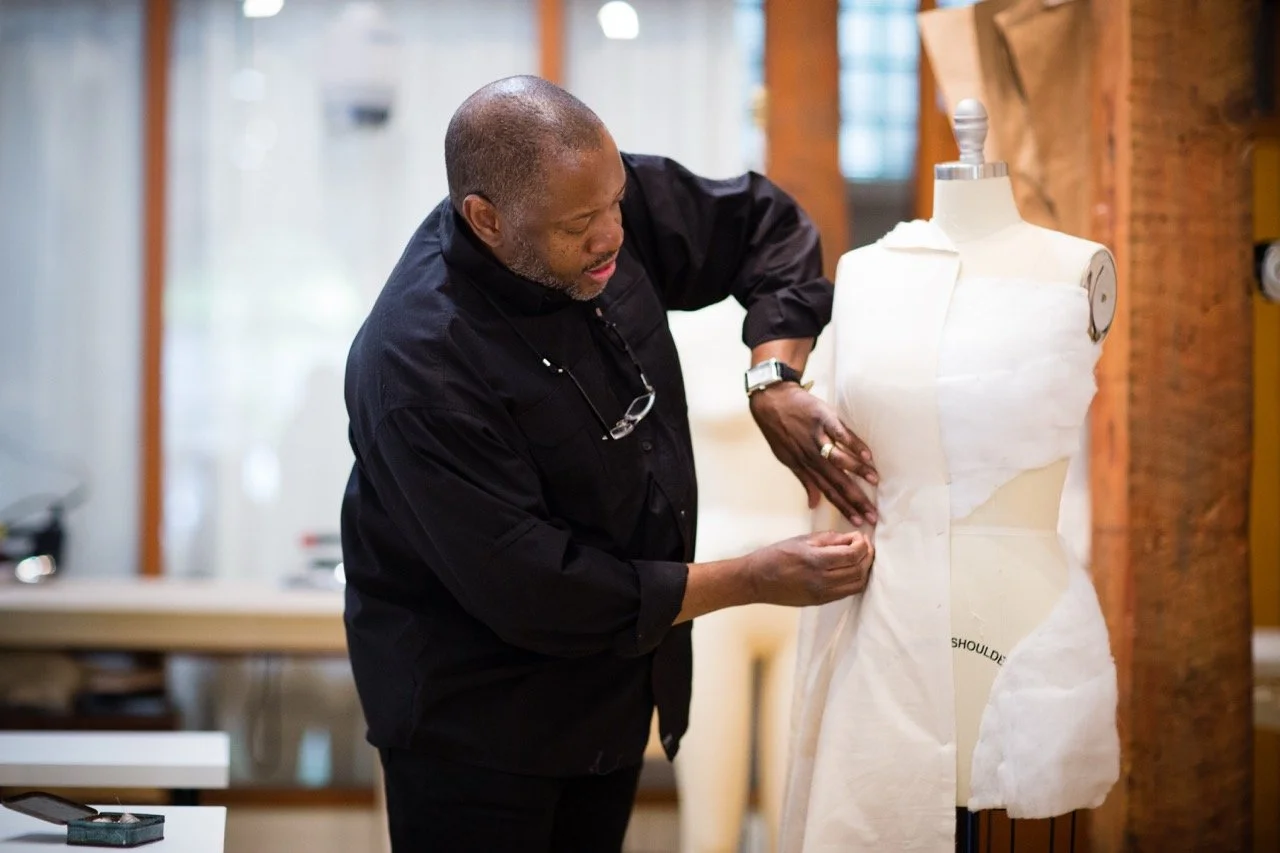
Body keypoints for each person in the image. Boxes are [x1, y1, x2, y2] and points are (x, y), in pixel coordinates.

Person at [340, 75, 877, 853]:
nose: (611, 237)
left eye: (616, 203)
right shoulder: (418, 366)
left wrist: (772, 375)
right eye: (579, 225)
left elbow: (766, 225)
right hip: (477, 735)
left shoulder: (593, 200)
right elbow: (537, 587)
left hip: (612, 694)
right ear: (486, 220)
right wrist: (754, 579)